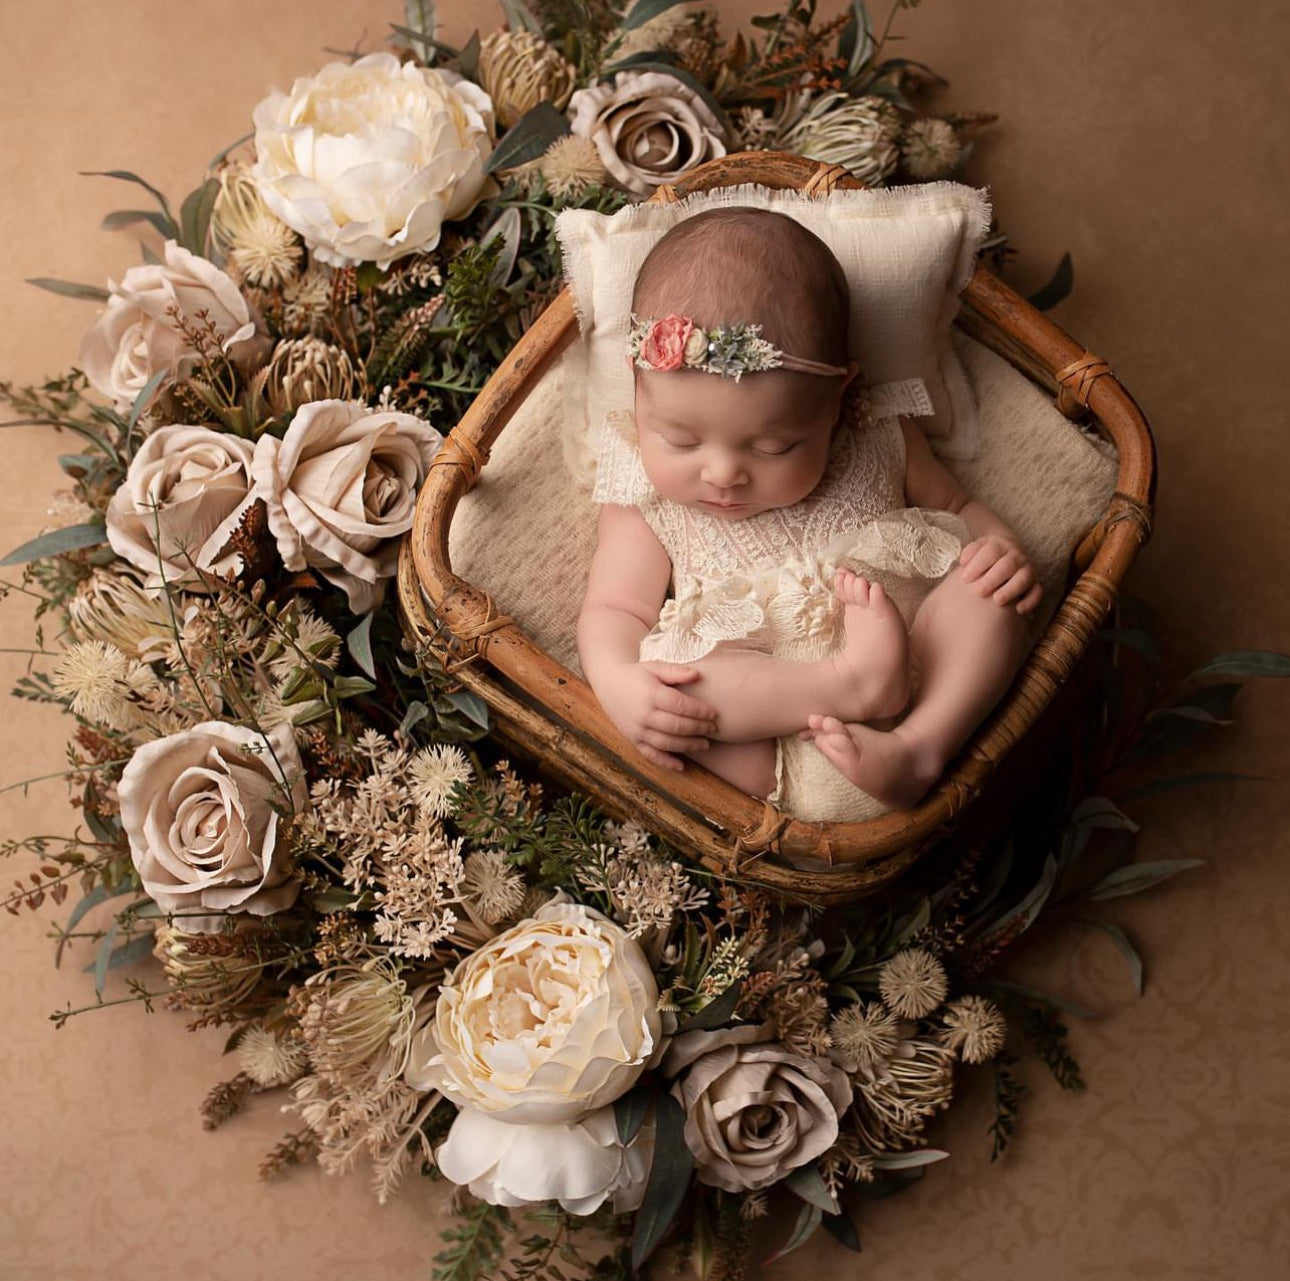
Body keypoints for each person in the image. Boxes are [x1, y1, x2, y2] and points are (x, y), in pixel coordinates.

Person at [577, 207, 1041, 815]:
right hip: (776, 741)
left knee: (988, 591)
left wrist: (998, 547)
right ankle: (855, 682)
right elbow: (614, 607)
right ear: (637, 393)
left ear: (837, 402)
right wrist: (616, 683)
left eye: (774, 446)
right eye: (681, 441)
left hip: (929, 670)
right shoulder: (643, 494)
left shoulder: (877, 434)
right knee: (667, 672)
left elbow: (959, 505)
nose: (722, 473)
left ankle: (918, 750)